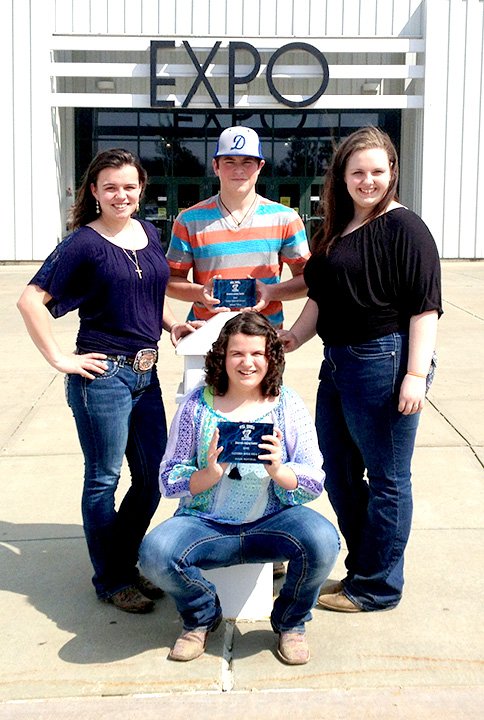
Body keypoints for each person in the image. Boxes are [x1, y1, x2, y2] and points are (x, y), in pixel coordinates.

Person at [17, 148, 198, 614]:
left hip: (147, 374)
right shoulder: (83, 243)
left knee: (153, 477)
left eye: (130, 186)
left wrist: (173, 324)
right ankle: (112, 579)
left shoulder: (149, 232)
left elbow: (150, 292)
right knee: (103, 480)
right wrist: (61, 359)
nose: (122, 194)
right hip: (103, 377)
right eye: (110, 186)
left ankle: (123, 560)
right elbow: (30, 300)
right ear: (94, 192)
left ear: (141, 190)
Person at [280, 127, 442, 613]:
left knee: (389, 478)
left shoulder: (404, 226)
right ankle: (363, 567)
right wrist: (293, 336)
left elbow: (424, 308)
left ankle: (377, 587)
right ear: (343, 177)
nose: (367, 181)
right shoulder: (336, 228)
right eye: (358, 172)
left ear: (392, 172)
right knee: (339, 472)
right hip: (337, 364)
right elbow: (319, 298)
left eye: (377, 171)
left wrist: (415, 375)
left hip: (384, 362)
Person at [139, 311, 340, 665]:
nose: (247, 363)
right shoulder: (197, 407)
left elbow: (313, 479)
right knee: (154, 554)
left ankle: (291, 622)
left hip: (272, 521)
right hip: (206, 524)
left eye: (257, 354)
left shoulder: (287, 404)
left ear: (270, 358)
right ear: (222, 356)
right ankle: (201, 616)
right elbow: (169, 477)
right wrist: (208, 475)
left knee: (324, 541)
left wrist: (280, 470)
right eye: (237, 354)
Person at [165, 126, 310, 328]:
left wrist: (271, 292)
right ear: (215, 166)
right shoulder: (189, 220)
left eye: (247, 162)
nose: (238, 170)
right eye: (229, 161)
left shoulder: (285, 218)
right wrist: (200, 293)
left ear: (260, 166)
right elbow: (170, 280)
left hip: (263, 337)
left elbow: (308, 279)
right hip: (206, 335)